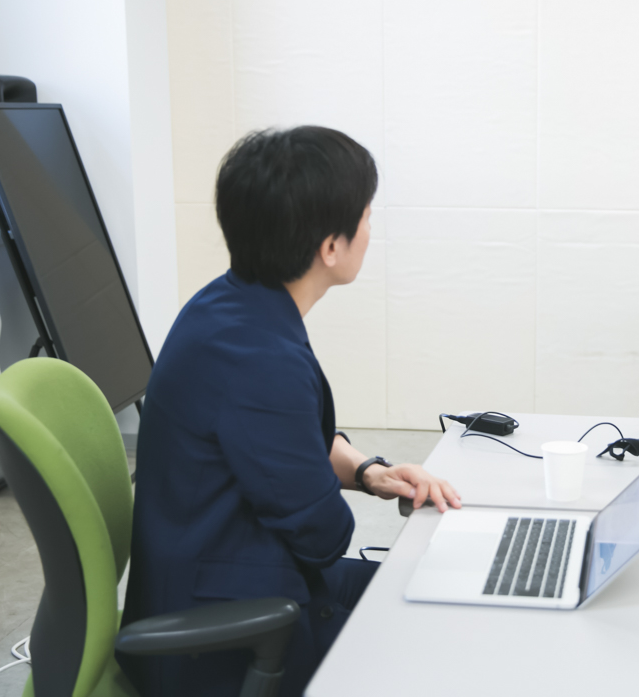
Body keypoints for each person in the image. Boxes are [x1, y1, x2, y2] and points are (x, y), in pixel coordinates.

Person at [119, 127, 461, 697]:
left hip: (222, 577)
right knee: (445, 631)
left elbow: (289, 441)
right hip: (227, 634)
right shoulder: (260, 360)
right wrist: (343, 491)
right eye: (368, 216)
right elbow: (323, 534)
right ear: (331, 247)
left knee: (437, 589)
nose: (371, 230)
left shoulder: (231, 304)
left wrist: (368, 471)